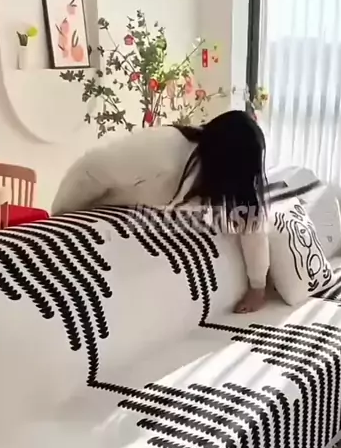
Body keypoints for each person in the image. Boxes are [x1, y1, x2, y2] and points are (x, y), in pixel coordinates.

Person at [51, 110, 270, 313]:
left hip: (121, 220)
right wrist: (61, 218)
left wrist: (257, 287)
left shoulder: (211, 176)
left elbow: (252, 223)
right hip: (85, 211)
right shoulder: (161, 152)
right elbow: (90, 169)